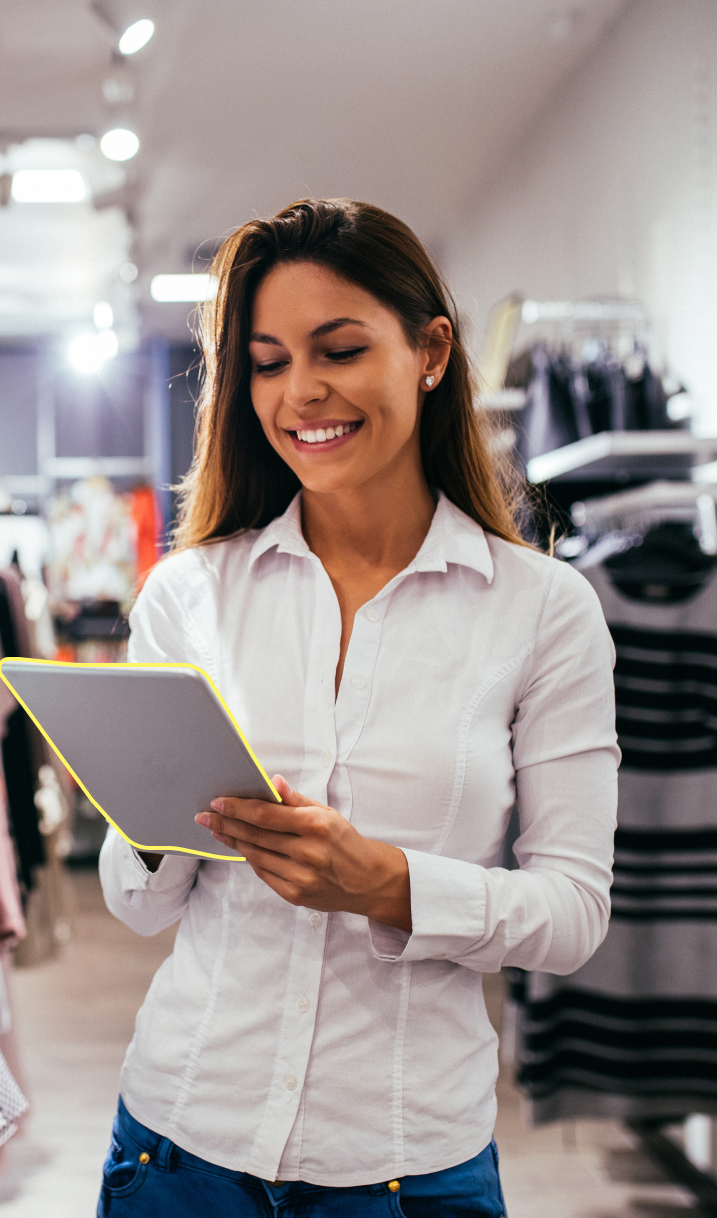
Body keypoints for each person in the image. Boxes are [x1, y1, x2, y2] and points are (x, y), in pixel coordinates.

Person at [97, 198, 618, 1217]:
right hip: (178, 1144)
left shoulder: (542, 612)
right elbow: (138, 906)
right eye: (268, 361)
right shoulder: (191, 595)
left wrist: (390, 884)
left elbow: (573, 913)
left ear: (429, 352)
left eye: (338, 349)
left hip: (406, 1163)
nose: (302, 393)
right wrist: (160, 823)